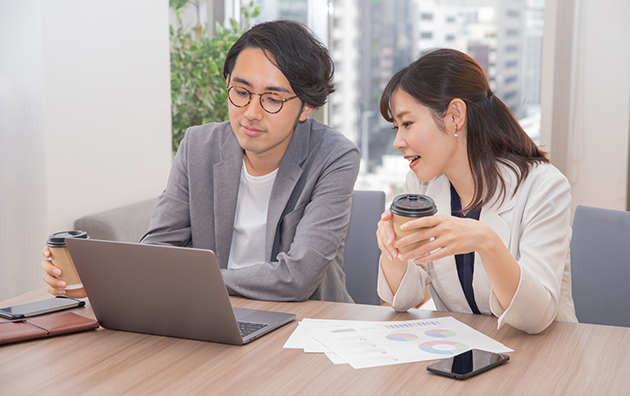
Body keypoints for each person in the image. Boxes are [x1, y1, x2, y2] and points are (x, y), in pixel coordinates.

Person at [41, 20, 360, 303]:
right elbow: (158, 249)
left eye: (272, 99)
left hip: (310, 324)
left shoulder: (334, 157)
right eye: (241, 91)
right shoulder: (198, 145)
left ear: (306, 108)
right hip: (212, 314)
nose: (250, 112)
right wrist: (100, 282)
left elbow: (298, 279)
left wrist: (191, 281)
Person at [376, 48, 577, 334]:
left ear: (455, 116)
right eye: (396, 127)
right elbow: (404, 299)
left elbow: (535, 318)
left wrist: (486, 242)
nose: (398, 141)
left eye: (407, 123)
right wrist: (392, 249)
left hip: (543, 358)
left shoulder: (543, 187)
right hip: (462, 351)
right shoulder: (421, 186)